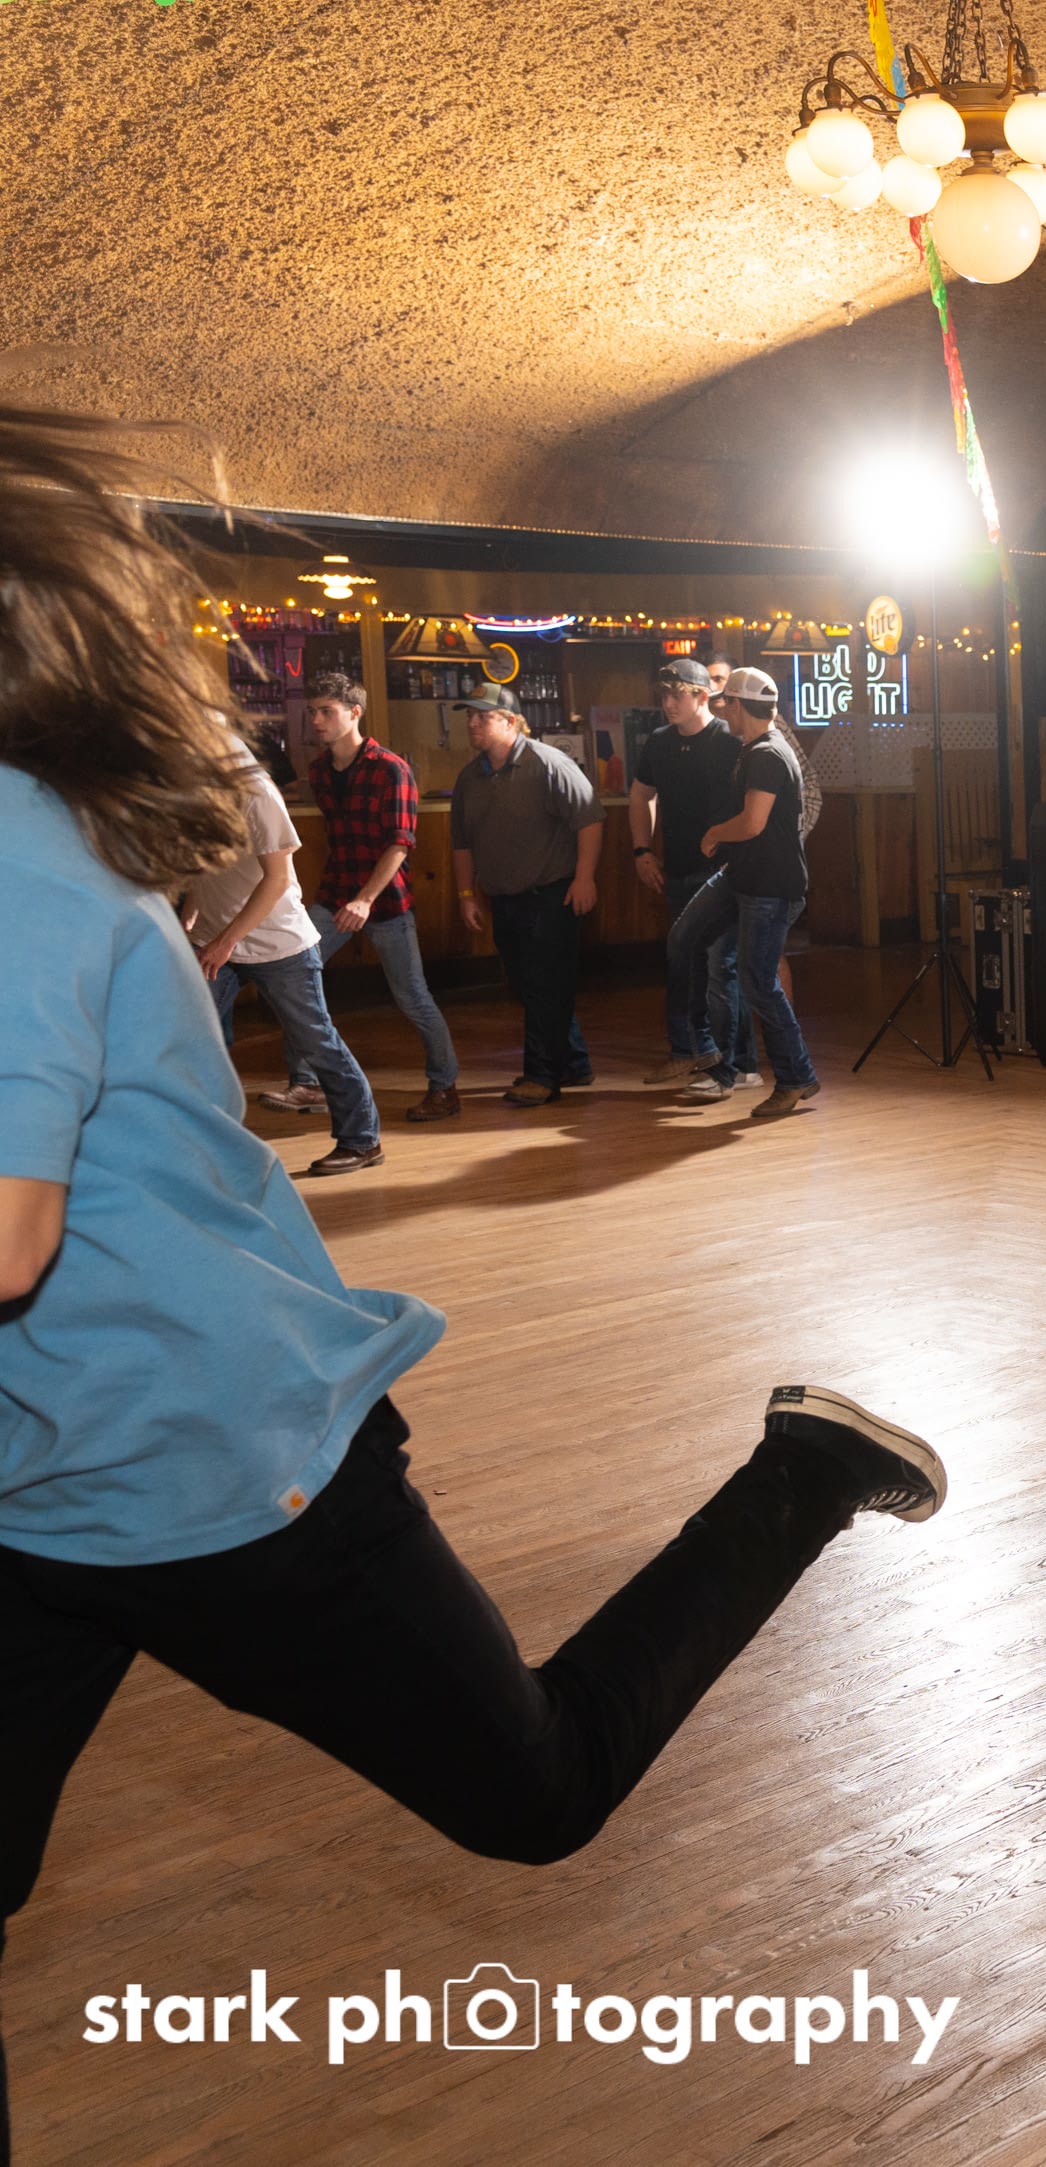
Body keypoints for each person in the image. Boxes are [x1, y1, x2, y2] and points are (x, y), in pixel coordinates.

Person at [0, 406, 948, 2158]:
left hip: (230, 1463)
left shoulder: (8, 856)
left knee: (540, 1786)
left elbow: (8, 1236)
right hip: (45, 1477)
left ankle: (802, 1473)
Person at [269, 670, 462, 1125]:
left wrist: (365, 899)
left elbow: (399, 844)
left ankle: (444, 1088)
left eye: (326, 711)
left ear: (354, 713)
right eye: (312, 711)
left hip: (385, 901)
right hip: (335, 892)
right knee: (293, 976)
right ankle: (307, 1083)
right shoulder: (319, 771)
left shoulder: (391, 768)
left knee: (412, 997)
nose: (316, 720)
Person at [188, 740, 385, 1179]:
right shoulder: (194, 792)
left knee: (317, 1043)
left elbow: (276, 881)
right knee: (196, 1043)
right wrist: (189, 918)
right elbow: (205, 870)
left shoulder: (256, 793)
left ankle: (361, 1139)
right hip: (214, 941)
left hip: (278, 944)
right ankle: (207, 1146)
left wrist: (224, 942)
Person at [447, 683, 603, 1107]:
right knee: (527, 985)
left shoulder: (548, 763)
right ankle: (572, 1063)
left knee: (543, 987)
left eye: (482, 717)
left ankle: (541, 1076)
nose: (472, 724)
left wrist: (584, 878)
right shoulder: (470, 777)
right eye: (469, 716)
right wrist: (466, 894)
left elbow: (589, 820)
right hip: (504, 898)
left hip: (550, 894)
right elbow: (461, 843)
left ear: (511, 722)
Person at [690, 674, 820, 1121]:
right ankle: (742, 1063)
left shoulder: (766, 754)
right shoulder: (761, 748)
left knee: (759, 983)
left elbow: (752, 823)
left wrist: (714, 833)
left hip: (770, 887)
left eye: (725, 702)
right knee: (709, 953)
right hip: (754, 882)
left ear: (738, 705)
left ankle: (795, 1076)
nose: (721, 710)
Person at [631, 657, 754, 1089]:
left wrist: (739, 856)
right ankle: (689, 1054)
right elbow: (641, 794)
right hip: (678, 867)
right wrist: (642, 849)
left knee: (721, 967)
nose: (668, 704)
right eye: (664, 695)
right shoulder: (659, 741)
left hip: (720, 870)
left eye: (677, 695)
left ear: (703, 696)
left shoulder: (729, 741)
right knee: (683, 963)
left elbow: (753, 805)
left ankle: (737, 1065)